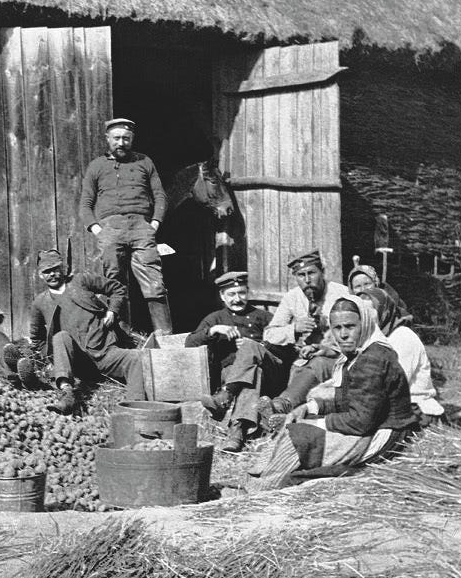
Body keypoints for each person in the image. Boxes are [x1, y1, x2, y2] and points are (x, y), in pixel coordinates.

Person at [249, 295, 418, 489]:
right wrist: (309, 407)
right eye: (337, 328)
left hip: (383, 436)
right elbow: (350, 400)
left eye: (350, 326)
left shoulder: (373, 358)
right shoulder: (359, 354)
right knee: (292, 429)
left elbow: (360, 422)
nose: (343, 335)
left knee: (297, 437)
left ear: (365, 324)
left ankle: (261, 491)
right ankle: (256, 481)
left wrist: (315, 422)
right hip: (370, 426)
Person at [79, 118, 173, 335]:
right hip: (110, 229)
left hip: (142, 228)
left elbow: (160, 196)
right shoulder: (97, 166)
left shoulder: (144, 162)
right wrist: (98, 230)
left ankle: (165, 338)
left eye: (126, 139)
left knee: (154, 282)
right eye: (117, 139)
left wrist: (154, 224)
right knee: (114, 284)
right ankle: (124, 338)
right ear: (108, 139)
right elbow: (85, 204)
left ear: (132, 139)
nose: (121, 143)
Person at [28, 249, 146, 414]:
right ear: (40, 275)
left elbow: (117, 289)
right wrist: (55, 358)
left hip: (106, 353)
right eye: (47, 272)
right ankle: (66, 393)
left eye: (55, 269)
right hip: (79, 364)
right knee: (60, 337)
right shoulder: (40, 303)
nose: (53, 274)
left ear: (63, 268)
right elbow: (36, 339)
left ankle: (135, 409)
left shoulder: (81, 280)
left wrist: (112, 311)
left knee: (136, 357)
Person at [187, 272, 277, 452]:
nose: (237, 299)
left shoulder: (264, 317)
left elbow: (284, 345)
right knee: (253, 375)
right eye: (231, 294)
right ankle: (238, 432)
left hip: (268, 371)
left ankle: (226, 397)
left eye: (242, 293)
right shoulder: (215, 318)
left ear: (248, 292)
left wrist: (259, 345)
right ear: (222, 296)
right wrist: (212, 331)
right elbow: (190, 343)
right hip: (231, 372)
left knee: (253, 356)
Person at [259, 250, 351, 418]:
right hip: (302, 359)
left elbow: (356, 333)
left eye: (312, 273)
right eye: (301, 275)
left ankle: (281, 406)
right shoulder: (292, 298)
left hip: (334, 358)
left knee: (317, 364)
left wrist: (327, 347)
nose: (307, 280)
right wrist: (293, 329)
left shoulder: (342, 294)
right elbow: (270, 334)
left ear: (322, 272)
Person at [359, 287, 444, 426]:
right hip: (389, 406)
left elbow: (392, 385)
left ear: (383, 310)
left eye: (370, 311)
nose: (365, 317)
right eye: (361, 312)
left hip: (416, 410)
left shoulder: (402, 337)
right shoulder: (373, 339)